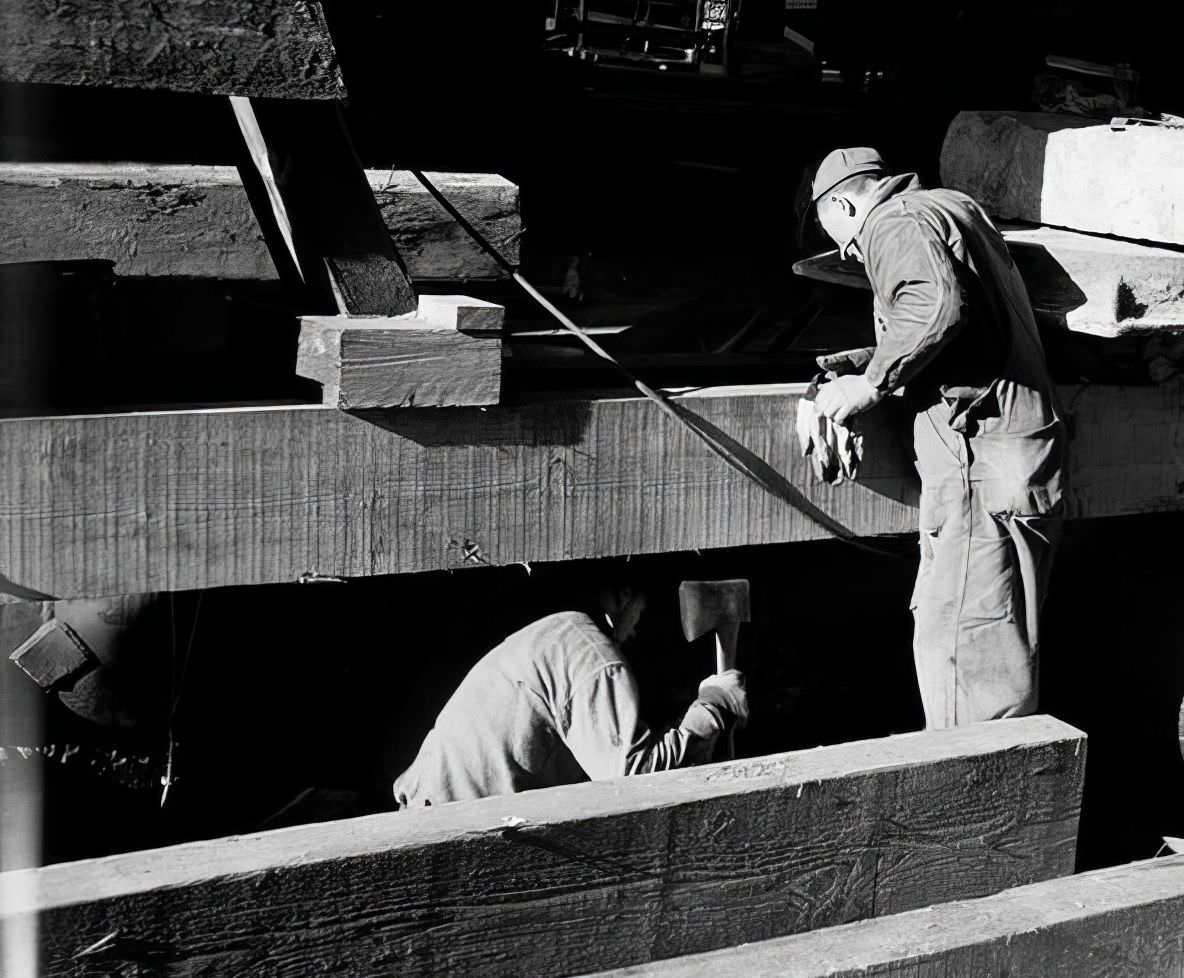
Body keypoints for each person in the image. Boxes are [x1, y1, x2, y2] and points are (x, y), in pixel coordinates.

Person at [805, 147, 1065, 729]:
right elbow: (959, 326)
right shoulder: (954, 208)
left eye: (848, 243)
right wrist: (845, 366)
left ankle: (972, 812)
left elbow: (932, 304)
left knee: (963, 661)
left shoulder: (891, 222)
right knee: (998, 653)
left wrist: (871, 384)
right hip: (1019, 457)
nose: (855, 253)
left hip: (978, 465)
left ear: (845, 203)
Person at [392, 578, 748, 807]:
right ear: (624, 595)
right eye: (640, 612)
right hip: (449, 828)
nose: (637, 631)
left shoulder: (553, 637)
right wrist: (714, 706)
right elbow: (637, 781)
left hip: (429, 811)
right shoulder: (590, 654)